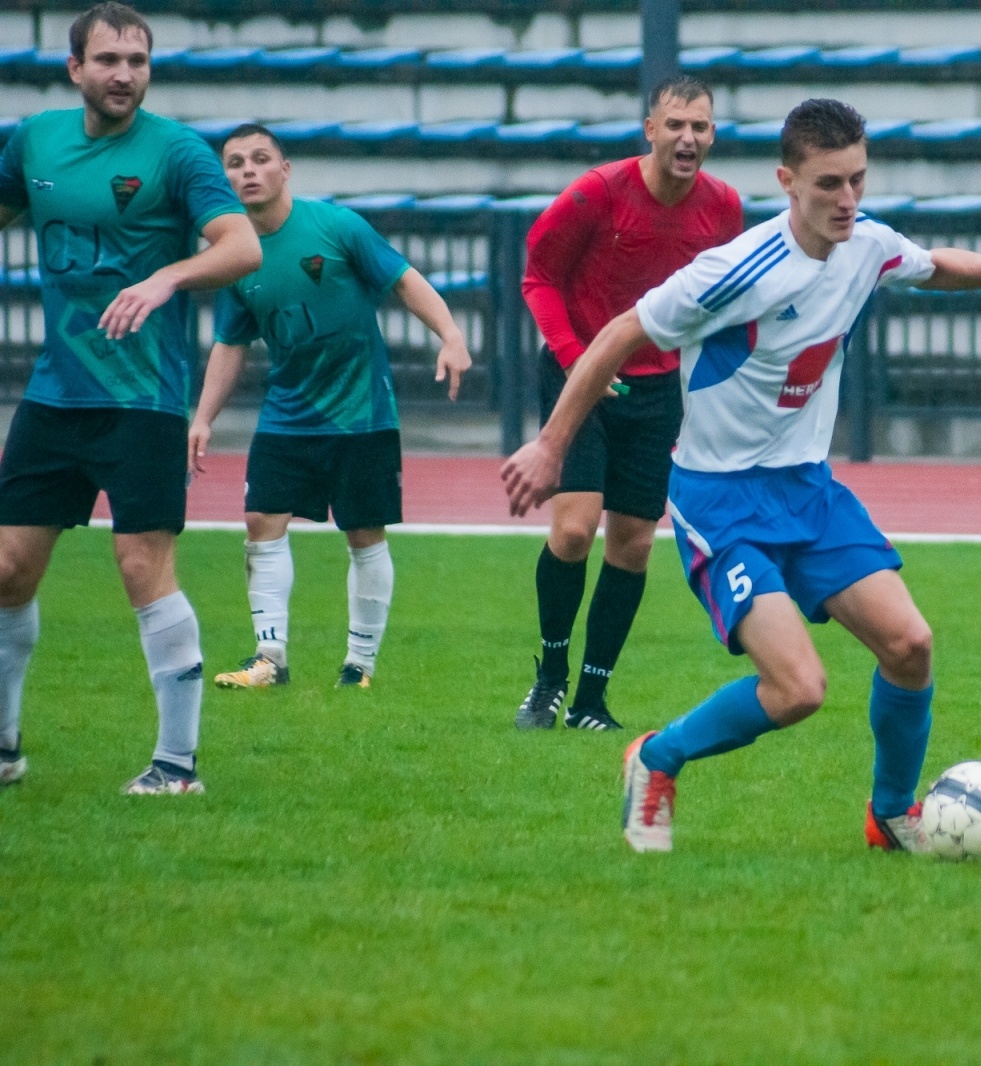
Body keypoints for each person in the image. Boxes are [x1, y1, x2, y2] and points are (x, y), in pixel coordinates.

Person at [502, 98, 981, 852]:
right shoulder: (732, 270)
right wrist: (551, 445)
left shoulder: (867, 245)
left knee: (910, 646)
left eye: (858, 180)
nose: (848, 200)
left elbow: (928, 267)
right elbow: (619, 334)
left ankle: (891, 815)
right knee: (799, 690)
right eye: (829, 183)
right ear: (787, 182)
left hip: (809, 491)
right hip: (721, 501)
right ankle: (655, 758)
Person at [0, 2, 262, 794]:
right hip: (56, 392)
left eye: (137, 61)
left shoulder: (178, 153)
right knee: (8, 568)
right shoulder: (34, 142)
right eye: (109, 60)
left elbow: (242, 245)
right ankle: (6, 745)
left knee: (140, 563)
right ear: (74, 68)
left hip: (144, 397)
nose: (124, 75)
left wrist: (165, 276)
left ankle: (176, 767)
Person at [188, 124, 471, 690]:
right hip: (287, 414)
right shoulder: (235, 255)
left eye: (260, 158)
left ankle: (359, 666)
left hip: (360, 413)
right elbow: (231, 343)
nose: (247, 170)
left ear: (285, 169)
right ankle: (270, 660)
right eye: (236, 162)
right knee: (260, 520)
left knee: (364, 532)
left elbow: (405, 281)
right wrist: (203, 417)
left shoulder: (337, 226)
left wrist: (451, 335)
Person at [514, 75, 742, 732]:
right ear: (649, 129)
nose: (688, 138)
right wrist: (572, 359)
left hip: (656, 386)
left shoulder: (723, 205)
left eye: (700, 127)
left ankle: (591, 700)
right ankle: (549, 679)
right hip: (581, 373)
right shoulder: (597, 191)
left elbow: (721, 297)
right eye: (676, 124)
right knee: (574, 530)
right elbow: (539, 276)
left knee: (634, 545)